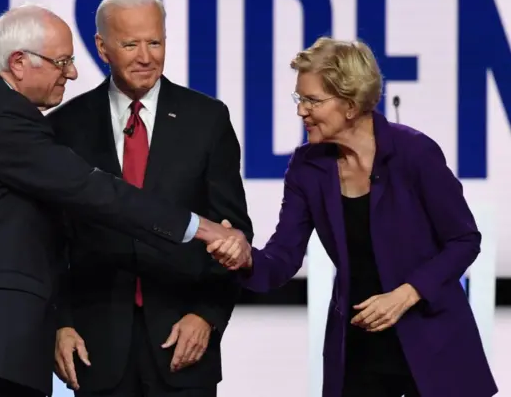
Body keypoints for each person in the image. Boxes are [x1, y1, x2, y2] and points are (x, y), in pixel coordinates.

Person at [0, 5, 247, 397]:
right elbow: (96, 191)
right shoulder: (10, 120)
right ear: (18, 63)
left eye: (155, 41)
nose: (72, 72)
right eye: (62, 61)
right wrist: (198, 227)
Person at [209, 37, 498, 397]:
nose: (301, 111)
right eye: (299, 99)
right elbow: (282, 259)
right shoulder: (307, 167)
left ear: (349, 104)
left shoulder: (414, 154)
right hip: (359, 354)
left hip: (433, 343)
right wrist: (244, 258)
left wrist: (407, 294)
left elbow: (464, 240)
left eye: (312, 100)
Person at [48, 0, 252, 397]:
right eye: (130, 44)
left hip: (183, 342)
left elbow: (232, 231)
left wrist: (207, 315)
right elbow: (50, 240)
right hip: (96, 347)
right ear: (102, 48)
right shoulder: (66, 126)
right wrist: (59, 322)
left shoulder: (207, 119)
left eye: (155, 42)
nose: (146, 56)